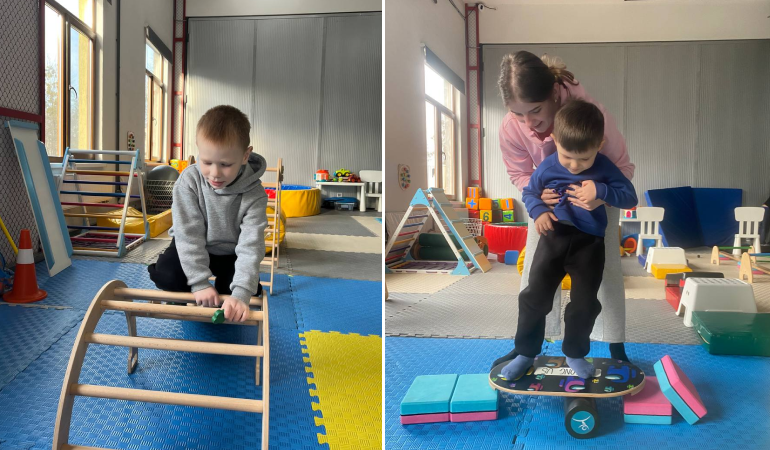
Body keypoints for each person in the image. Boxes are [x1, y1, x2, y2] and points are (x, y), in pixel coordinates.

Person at [493, 51, 636, 368]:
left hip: (595, 204)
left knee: (604, 276)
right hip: (549, 207)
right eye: (518, 114)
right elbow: (520, 175)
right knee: (535, 278)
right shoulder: (511, 127)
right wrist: (539, 201)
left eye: (535, 110)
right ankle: (528, 346)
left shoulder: (592, 117)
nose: (528, 122)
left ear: (554, 95)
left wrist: (600, 195)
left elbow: (624, 173)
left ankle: (614, 342)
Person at [148, 105, 269, 323]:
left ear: (245, 155)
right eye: (206, 162)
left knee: (237, 290)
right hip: (193, 245)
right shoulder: (189, 181)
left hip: (231, 253)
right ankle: (184, 292)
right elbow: (188, 235)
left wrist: (241, 293)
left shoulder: (255, 194)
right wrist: (199, 283)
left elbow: (251, 245)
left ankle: (233, 290)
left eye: (225, 164)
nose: (215, 173)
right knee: (168, 275)